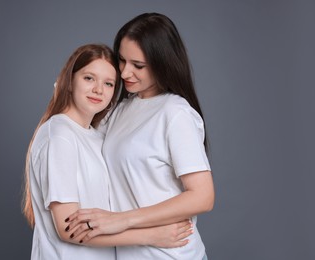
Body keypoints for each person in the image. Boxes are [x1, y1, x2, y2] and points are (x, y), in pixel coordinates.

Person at [22, 44, 193, 260]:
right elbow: (68, 230)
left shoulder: (96, 137)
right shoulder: (59, 135)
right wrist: (151, 235)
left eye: (108, 83)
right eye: (89, 78)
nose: (98, 90)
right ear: (69, 81)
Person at [65, 13, 215, 260]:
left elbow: (203, 196)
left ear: (162, 62)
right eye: (122, 60)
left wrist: (121, 220)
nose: (124, 73)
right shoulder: (120, 109)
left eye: (138, 66)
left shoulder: (175, 113)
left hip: (170, 254)